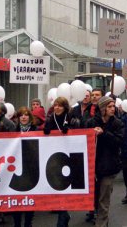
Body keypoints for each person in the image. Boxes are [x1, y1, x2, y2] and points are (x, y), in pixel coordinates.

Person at [85, 96, 124, 227]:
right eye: (109, 106)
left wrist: (105, 133)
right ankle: (100, 218)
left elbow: (119, 142)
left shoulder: (117, 123)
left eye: (113, 106)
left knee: (104, 198)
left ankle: (101, 223)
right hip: (93, 166)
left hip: (109, 166)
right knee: (95, 197)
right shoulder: (91, 122)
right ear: (102, 108)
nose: (113, 109)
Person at [43, 97, 75, 227]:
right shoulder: (51, 118)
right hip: (54, 156)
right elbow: (45, 130)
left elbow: (79, 130)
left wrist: (70, 129)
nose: (57, 108)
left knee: (65, 185)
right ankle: (63, 213)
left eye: (60, 106)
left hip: (68, 155)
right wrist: (45, 131)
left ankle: (63, 214)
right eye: (55, 105)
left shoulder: (71, 117)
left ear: (65, 107)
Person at [11, 106, 36, 227]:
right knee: (16, 198)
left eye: (26, 114)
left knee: (30, 197)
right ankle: (17, 223)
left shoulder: (36, 129)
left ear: (29, 116)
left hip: (31, 167)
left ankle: (28, 222)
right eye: (21, 115)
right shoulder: (13, 130)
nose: (24, 117)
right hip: (16, 167)